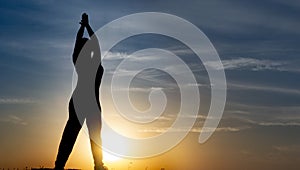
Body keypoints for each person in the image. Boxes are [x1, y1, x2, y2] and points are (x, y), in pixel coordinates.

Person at [54, 13, 107, 170]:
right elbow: (90, 42)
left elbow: (89, 43)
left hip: (89, 103)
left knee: (91, 136)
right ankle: (60, 166)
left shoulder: (88, 63)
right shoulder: (86, 63)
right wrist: (86, 26)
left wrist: (84, 26)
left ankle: (97, 165)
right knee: (72, 135)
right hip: (84, 102)